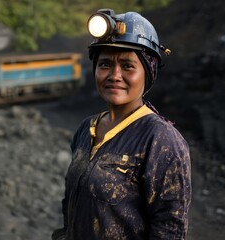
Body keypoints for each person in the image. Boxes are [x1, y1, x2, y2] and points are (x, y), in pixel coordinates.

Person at [52, 9, 191, 240]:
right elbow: (71, 204)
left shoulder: (161, 140)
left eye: (127, 66)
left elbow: (169, 230)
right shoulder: (86, 129)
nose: (114, 75)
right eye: (105, 64)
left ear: (148, 72)